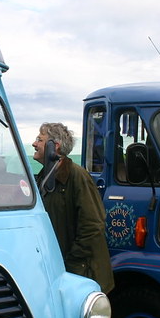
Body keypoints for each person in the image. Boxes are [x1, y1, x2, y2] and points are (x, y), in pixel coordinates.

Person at [32, 122, 114, 293]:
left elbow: (93, 226)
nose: (34, 144)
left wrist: (71, 261)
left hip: (82, 273)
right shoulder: (43, 178)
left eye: (39, 139)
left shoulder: (78, 177)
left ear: (54, 146)